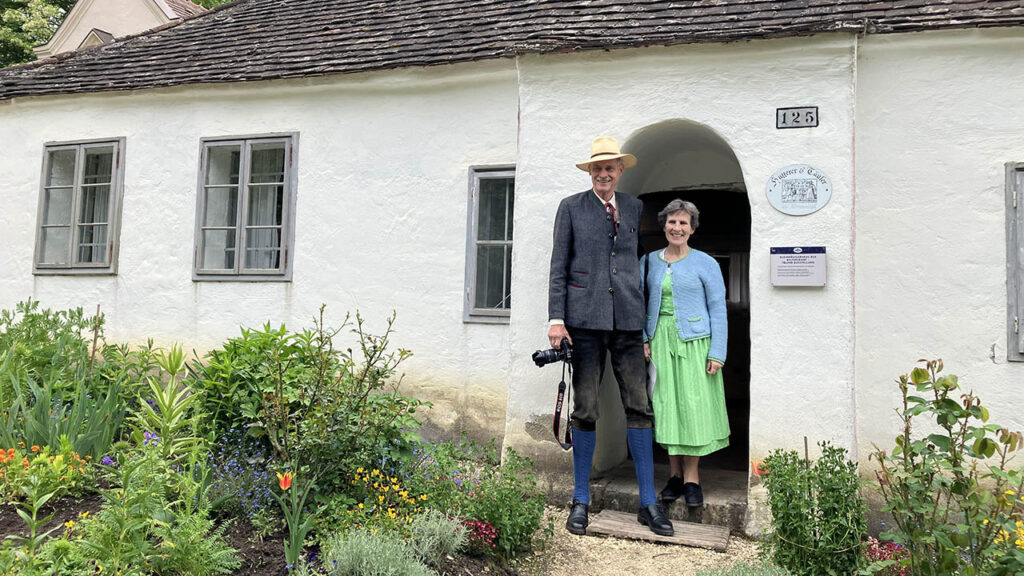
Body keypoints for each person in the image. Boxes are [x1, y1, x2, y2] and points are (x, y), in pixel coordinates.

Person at [548, 136, 673, 537]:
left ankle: (648, 504)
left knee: (640, 406)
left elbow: (635, 264)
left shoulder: (635, 207)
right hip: (583, 322)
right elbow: (558, 266)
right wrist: (556, 319)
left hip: (628, 324)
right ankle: (580, 499)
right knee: (585, 409)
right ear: (590, 172)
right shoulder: (570, 207)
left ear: (620, 171)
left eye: (611, 168)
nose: (604, 173)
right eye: (597, 168)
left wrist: (645, 325)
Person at [641, 199, 730, 508]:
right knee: (667, 407)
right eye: (672, 222)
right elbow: (637, 301)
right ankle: (674, 476)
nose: (677, 228)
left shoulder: (706, 263)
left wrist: (717, 352)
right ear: (663, 225)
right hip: (660, 343)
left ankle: (692, 478)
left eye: (683, 223)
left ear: (692, 229)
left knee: (692, 408)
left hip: (696, 344)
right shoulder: (649, 261)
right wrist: (644, 337)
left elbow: (718, 308)